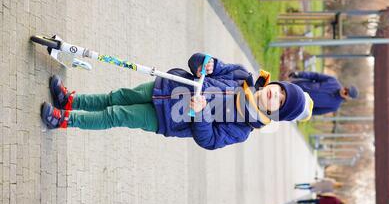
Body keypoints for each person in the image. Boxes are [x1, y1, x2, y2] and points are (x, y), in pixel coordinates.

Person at [41, 53, 314, 150]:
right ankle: (70, 101)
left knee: (118, 114)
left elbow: (208, 140)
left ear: (275, 113)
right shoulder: (242, 74)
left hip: (165, 119)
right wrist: (205, 64)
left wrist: (203, 114)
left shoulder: (242, 129)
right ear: (275, 83)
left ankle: (64, 120)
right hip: (165, 87)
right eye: (280, 90)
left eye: (280, 102)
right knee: (118, 96)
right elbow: (202, 63)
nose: (274, 95)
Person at [288, 71, 358, 116]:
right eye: (346, 89)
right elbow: (315, 76)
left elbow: (316, 111)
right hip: (295, 87)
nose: (344, 91)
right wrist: (299, 74)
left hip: (296, 104)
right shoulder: (333, 80)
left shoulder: (334, 106)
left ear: (347, 98)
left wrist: (301, 113)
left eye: (346, 93)